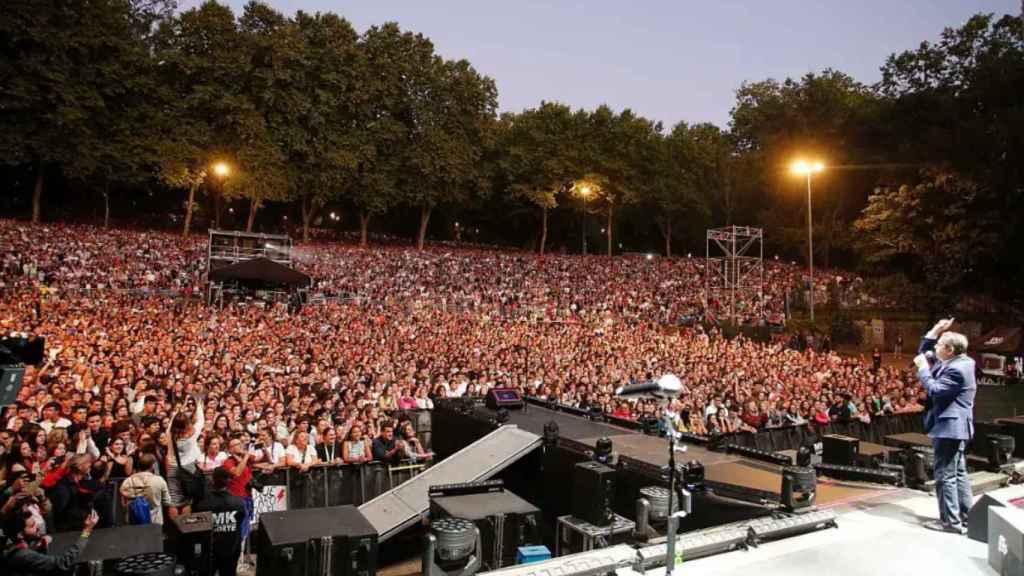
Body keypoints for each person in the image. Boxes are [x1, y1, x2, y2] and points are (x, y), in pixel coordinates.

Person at [913, 318, 976, 535]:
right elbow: (924, 351)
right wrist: (935, 330)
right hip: (957, 427)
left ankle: (950, 522)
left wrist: (923, 370)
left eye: (939, 344)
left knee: (945, 476)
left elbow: (936, 390)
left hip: (949, 428)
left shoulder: (955, 370)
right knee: (958, 474)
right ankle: (967, 517)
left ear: (949, 350)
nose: (935, 348)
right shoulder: (961, 362)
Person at [3, 509, 98, 576]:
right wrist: (86, 531)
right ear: (20, 535)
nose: (37, 527)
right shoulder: (23, 555)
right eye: (32, 526)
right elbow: (63, 563)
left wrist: (40, 547)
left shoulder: (18, 548)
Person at [193, 468, 246, 576]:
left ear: (213, 481)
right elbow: (240, 521)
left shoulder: (203, 505)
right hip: (231, 549)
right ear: (228, 481)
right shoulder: (238, 502)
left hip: (211, 552)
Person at [119, 452, 171, 525]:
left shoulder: (128, 481)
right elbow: (167, 502)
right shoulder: (159, 480)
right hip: (155, 522)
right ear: (153, 465)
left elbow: (123, 503)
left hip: (133, 521)